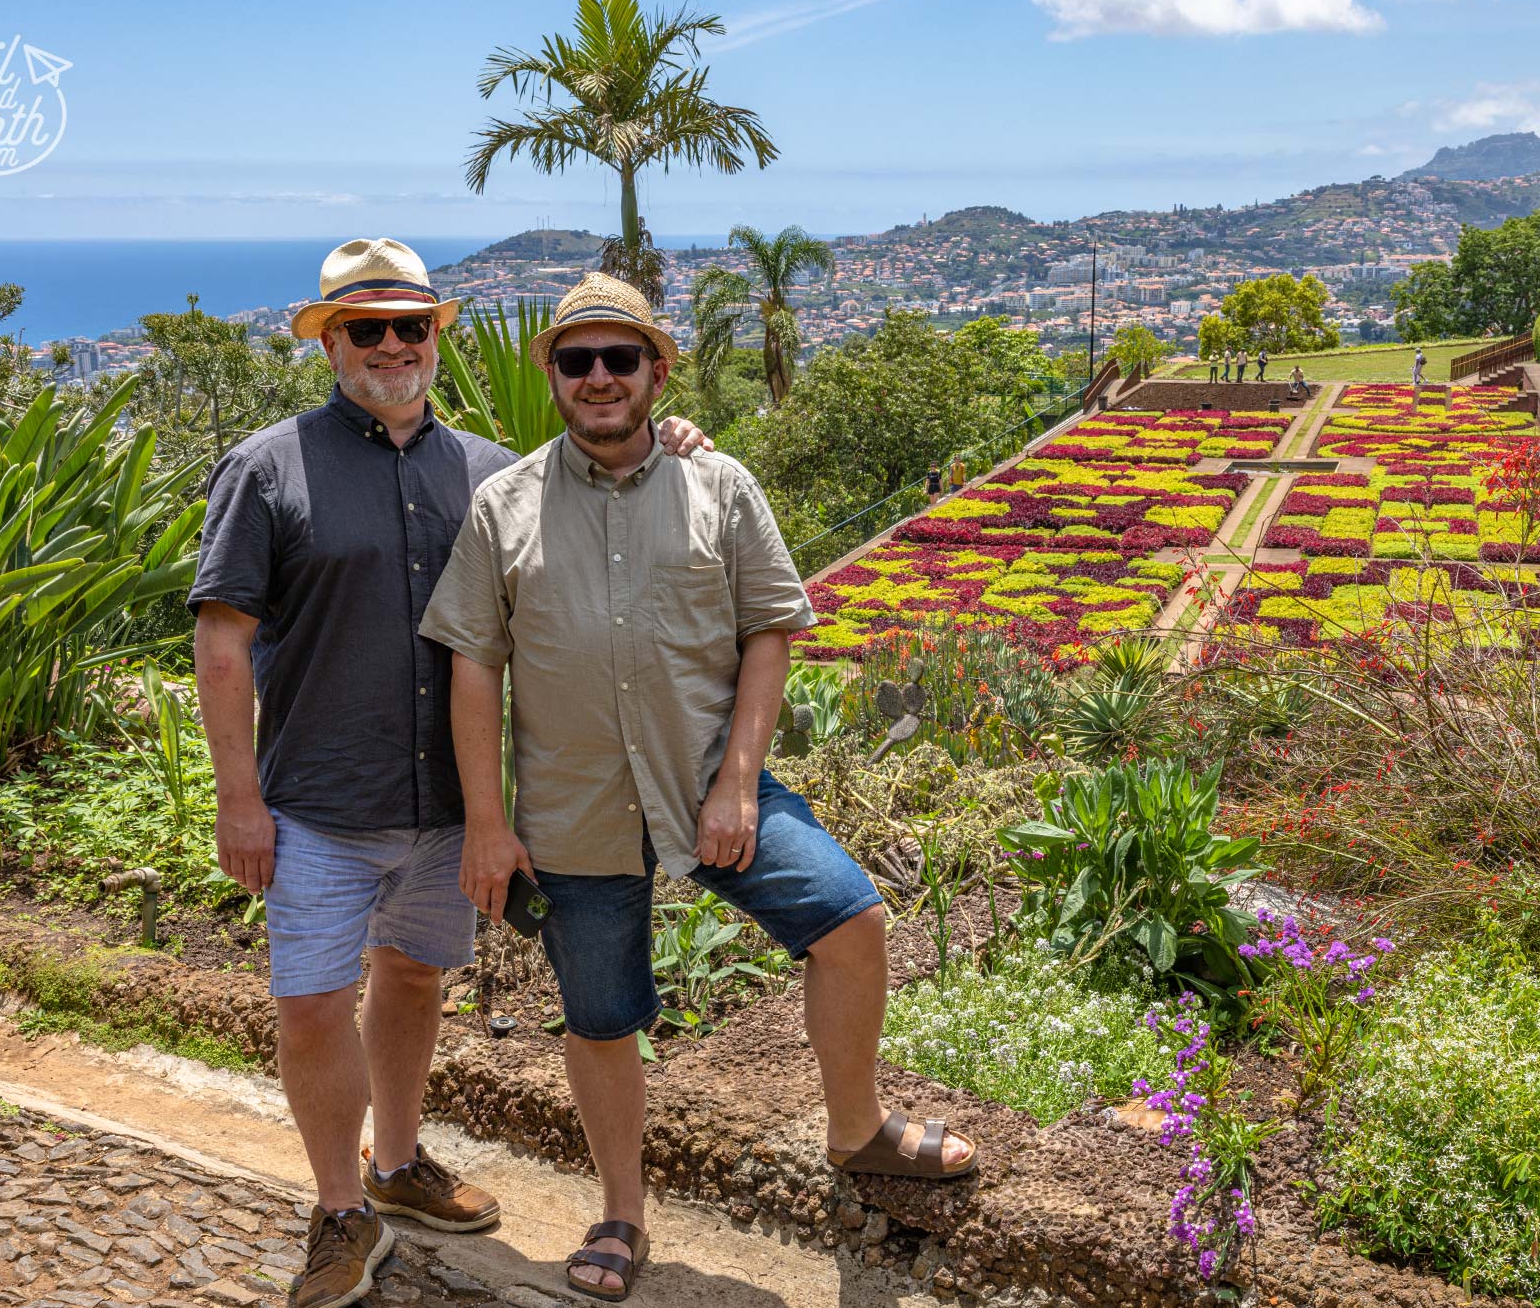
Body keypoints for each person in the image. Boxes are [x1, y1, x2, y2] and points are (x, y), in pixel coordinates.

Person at [422, 273, 980, 1303]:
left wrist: (735, 781)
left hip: (709, 790)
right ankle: (621, 1210)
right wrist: (487, 824)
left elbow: (768, 627)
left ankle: (855, 1131)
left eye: (619, 358)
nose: (598, 377)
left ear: (656, 370)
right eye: (576, 359)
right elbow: (472, 664)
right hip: (570, 806)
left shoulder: (719, 484)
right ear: (551, 372)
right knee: (598, 1017)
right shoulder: (504, 506)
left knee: (850, 919)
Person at [191, 243, 710, 1308]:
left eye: (410, 326)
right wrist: (235, 795)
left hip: (445, 808)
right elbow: (222, 637)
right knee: (312, 1004)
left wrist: (681, 444)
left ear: (439, 336)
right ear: (329, 342)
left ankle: (396, 1165)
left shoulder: (485, 470)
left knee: (415, 977)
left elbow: (604, 481)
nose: (391, 346)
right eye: (366, 329)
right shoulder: (266, 466)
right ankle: (342, 1211)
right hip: (316, 803)